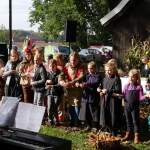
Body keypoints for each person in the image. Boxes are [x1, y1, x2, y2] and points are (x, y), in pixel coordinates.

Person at [122, 69, 150, 144]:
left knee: (135, 121)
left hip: (134, 107)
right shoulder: (126, 86)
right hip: (127, 106)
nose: (131, 78)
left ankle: (136, 136)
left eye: (133, 77)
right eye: (129, 76)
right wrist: (119, 96)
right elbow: (123, 96)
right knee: (128, 121)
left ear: (137, 78)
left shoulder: (138, 87)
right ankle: (128, 134)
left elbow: (140, 98)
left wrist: (146, 96)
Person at [59, 51, 85, 127]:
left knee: (76, 106)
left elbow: (81, 76)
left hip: (77, 91)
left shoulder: (81, 67)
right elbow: (61, 76)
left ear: (78, 60)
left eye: (74, 60)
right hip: (68, 91)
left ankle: (76, 123)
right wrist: (62, 82)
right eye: (71, 60)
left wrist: (72, 82)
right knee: (70, 106)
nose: (73, 62)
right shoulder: (66, 66)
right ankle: (71, 121)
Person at [97, 62, 122, 136]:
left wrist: (108, 91)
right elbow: (101, 87)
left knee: (113, 116)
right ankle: (107, 130)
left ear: (114, 70)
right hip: (105, 100)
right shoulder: (104, 79)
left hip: (113, 101)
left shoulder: (117, 79)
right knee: (106, 115)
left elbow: (118, 90)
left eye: (110, 70)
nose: (108, 72)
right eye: (106, 70)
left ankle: (114, 132)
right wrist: (99, 90)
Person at [79, 61, 102, 132]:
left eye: (91, 68)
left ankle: (95, 126)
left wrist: (86, 84)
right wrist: (79, 84)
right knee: (87, 112)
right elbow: (81, 81)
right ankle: (88, 125)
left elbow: (95, 82)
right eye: (88, 68)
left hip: (93, 97)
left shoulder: (98, 76)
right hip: (86, 97)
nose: (89, 70)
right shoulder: (86, 75)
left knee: (94, 112)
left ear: (95, 68)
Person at [45, 59, 63, 126]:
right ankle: (50, 120)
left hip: (57, 93)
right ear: (48, 66)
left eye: (53, 66)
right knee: (49, 107)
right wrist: (46, 83)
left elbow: (59, 84)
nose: (52, 68)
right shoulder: (48, 73)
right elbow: (45, 83)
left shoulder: (60, 73)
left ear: (56, 66)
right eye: (50, 66)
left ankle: (56, 121)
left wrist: (52, 86)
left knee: (55, 107)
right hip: (49, 93)